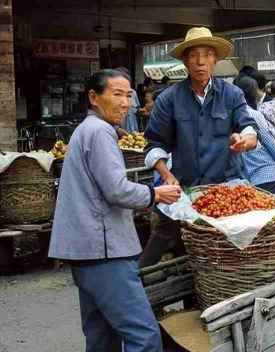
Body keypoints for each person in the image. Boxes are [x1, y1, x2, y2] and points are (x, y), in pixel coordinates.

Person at [48, 69, 182, 352]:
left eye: (129, 95)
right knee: (143, 336)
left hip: (84, 252)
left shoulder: (86, 130)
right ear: (94, 98)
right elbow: (117, 190)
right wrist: (156, 193)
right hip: (104, 252)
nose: (125, 103)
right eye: (117, 94)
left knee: (101, 337)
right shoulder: (99, 132)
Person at [139, 27, 258, 268]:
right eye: (193, 55)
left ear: (215, 59)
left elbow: (249, 128)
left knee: (229, 250)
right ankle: (138, 287)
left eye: (206, 54)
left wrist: (245, 141)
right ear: (185, 61)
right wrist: (166, 174)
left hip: (227, 187)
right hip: (186, 187)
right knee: (164, 237)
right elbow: (154, 143)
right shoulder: (168, 99)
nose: (200, 62)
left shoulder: (232, 94)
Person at [234, 76, 275, 195]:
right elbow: (273, 147)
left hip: (247, 182)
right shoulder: (252, 114)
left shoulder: (227, 114)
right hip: (269, 177)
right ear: (253, 93)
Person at [115, 67, 140, 133]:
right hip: (120, 128)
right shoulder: (112, 94)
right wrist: (117, 129)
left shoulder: (133, 92)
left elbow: (137, 109)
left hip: (133, 127)